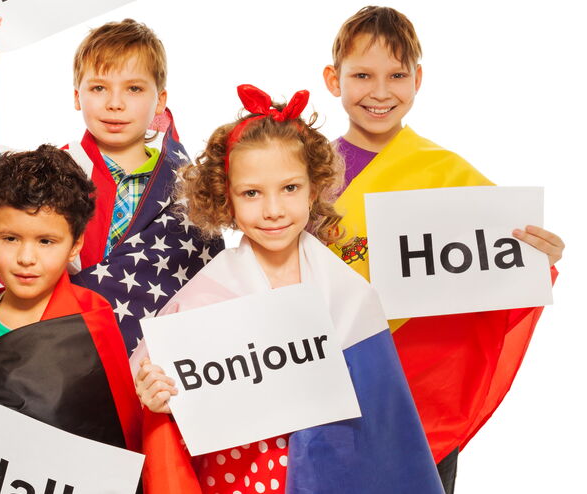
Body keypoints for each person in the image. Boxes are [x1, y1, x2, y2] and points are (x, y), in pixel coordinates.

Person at [135, 85, 442, 494]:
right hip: (238, 479)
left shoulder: (349, 292)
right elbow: (159, 384)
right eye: (251, 194)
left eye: (290, 188)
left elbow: (382, 412)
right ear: (226, 198)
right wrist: (155, 394)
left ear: (313, 189)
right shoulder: (206, 293)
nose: (273, 210)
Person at [321, 7, 565, 491]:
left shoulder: (446, 173)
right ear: (334, 79)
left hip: (420, 398)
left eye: (397, 75)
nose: (381, 91)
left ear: (418, 80)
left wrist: (541, 256)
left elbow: (499, 268)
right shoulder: (306, 174)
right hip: (331, 392)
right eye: (362, 75)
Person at [0, 2, 224, 353]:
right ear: (76, 96)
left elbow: (210, 285)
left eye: (133, 89)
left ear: (160, 101)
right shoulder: (56, 170)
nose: (115, 103)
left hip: (157, 369)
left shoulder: (190, 186)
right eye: (98, 88)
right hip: (62, 354)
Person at [0, 145, 143, 487]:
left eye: (46, 241)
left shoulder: (92, 319)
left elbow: (121, 433)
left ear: (75, 245)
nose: (26, 257)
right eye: (11, 238)